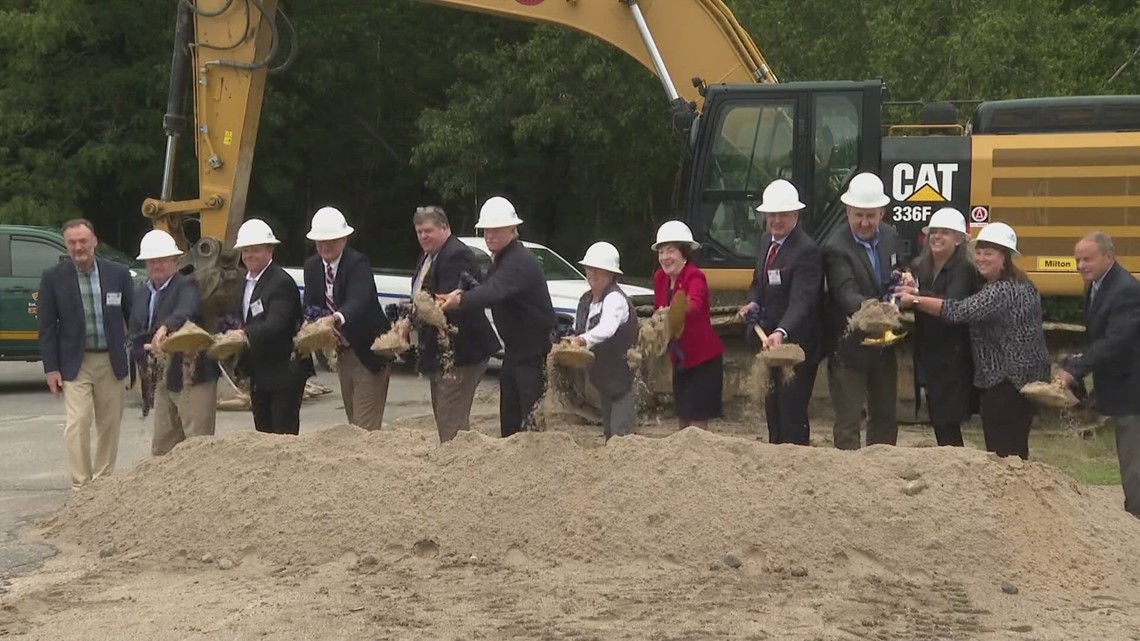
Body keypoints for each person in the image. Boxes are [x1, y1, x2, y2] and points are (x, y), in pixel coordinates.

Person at [897, 222, 1050, 460]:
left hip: (1006, 381)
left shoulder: (1001, 291)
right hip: (1022, 379)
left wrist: (916, 300)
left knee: (1005, 454)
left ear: (1005, 257)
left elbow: (958, 311)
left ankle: (1010, 495)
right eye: (978, 252)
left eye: (989, 253)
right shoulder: (1023, 284)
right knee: (1016, 448)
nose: (981, 258)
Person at [438, 196, 556, 438]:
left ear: (513, 230)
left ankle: (536, 466)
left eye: (495, 230)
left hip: (532, 353)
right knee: (511, 418)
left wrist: (460, 300)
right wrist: (463, 292)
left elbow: (494, 290)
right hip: (516, 351)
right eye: (486, 230)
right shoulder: (503, 259)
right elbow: (488, 288)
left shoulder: (518, 261)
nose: (489, 235)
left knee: (530, 420)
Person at [37, 219, 134, 489]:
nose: (78, 247)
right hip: (75, 363)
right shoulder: (53, 277)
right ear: (66, 245)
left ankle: (103, 483)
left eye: (83, 241)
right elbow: (45, 327)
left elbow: (133, 315)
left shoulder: (118, 273)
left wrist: (138, 358)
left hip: (110, 360)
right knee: (78, 422)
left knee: (109, 424)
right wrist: (51, 369)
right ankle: (81, 486)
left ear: (95, 242)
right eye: (72, 242)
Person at [1056, 232, 1140, 517]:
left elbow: (1116, 341)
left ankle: (1136, 513)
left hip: (1133, 385)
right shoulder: (1095, 285)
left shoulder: (1125, 289)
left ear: (1109, 256)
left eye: (1087, 259)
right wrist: (1076, 361)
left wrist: (1076, 370)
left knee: (1133, 452)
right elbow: (1098, 338)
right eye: (1078, 259)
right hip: (1118, 381)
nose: (1081, 264)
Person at [822, 172, 907, 450]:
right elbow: (845, 293)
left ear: (881, 212)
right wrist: (879, 310)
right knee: (848, 423)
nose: (865, 222)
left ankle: (882, 476)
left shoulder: (891, 236)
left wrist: (904, 278)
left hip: (884, 347)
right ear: (847, 211)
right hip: (850, 348)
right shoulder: (836, 247)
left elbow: (900, 268)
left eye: (871, 215)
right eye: (858, 215)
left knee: (885, 420)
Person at [737, 180, 824, 445]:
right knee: (773, 410)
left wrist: (781, 332)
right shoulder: (766, 241)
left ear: (795, 215)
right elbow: (758, 283)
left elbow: (802, 300)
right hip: (769, 344)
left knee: (792, 414)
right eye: (772, 215)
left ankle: (797, 469)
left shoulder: (806, 250)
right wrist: (753, 303)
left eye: (783, 215)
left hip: (796, 347)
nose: (776, 220)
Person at [409, 205, 500, 443]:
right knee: (445, 416)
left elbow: (443, 304)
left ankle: (458, 470)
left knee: (451, 422)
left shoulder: (455, 254)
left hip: (462, 352)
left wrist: (411, 322)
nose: (423, 236)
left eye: (428, 230)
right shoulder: (428, 257)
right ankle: (457, 465)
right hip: (443, 353)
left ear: (445, 227)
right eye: (419, 232)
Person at [128, 229, 219, 456]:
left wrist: (165, 327)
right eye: (152, 261)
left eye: (162, 260)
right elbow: (135, 330)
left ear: (174, 261)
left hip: (193, 374)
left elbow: (186, 310)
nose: (157, 266)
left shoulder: (186, 286)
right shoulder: (141, 293)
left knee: (197, 442)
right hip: (162, 378)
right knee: (163, 445)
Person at [302, 206, 391, 430]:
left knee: (365, 425)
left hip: (369, 352)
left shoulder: (357, 263)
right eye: (320, 242)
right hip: (342, 354)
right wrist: (308, 323)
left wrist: (336, 318)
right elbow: (312, 305)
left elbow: (359, 300)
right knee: (353, 422)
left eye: (331, 241)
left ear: (344, 239)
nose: (324, 247)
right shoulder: (312, 267)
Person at [231, 218, 313, 435]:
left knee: (282, 437)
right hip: (260, 373)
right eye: (245, 250)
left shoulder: (280, 282)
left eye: (255, 250)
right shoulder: (245, 283)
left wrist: (242, 334)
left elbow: (277, 324)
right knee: (263, 435)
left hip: (284, 372)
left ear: (270, 250)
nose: (249, 255)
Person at [908, 208, 979, 447]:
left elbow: (953, 307)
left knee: (948, 424)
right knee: (939, 421)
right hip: (928, 355)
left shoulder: (965, 270)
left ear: (959, 239)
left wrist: (916, 297)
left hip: (953, 358)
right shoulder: (921, 267)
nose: (937, 237)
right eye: (934, 232)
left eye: (945, 233)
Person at [652, 220, 724, 430]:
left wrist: (672, 310)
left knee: (697, 418)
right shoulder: (660, 278)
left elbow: (694, 304)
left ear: (684, 253)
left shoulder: (694, 275)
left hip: (703, 359)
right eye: (661, 252)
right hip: (680, 358)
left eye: (671, 251)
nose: (665, 257)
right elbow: (658, 308)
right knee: (682, 415)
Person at [566, 241, 639, 440]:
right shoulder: (585, 300)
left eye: (599, 270)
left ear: (611, 274)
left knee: (620, 436)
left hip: (625, 380)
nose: (592, 274)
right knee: (608, 431)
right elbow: (579, 327)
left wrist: (582, 340)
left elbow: (607, 328)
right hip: (604, 380)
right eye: (590, 269)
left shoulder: (615, 299)